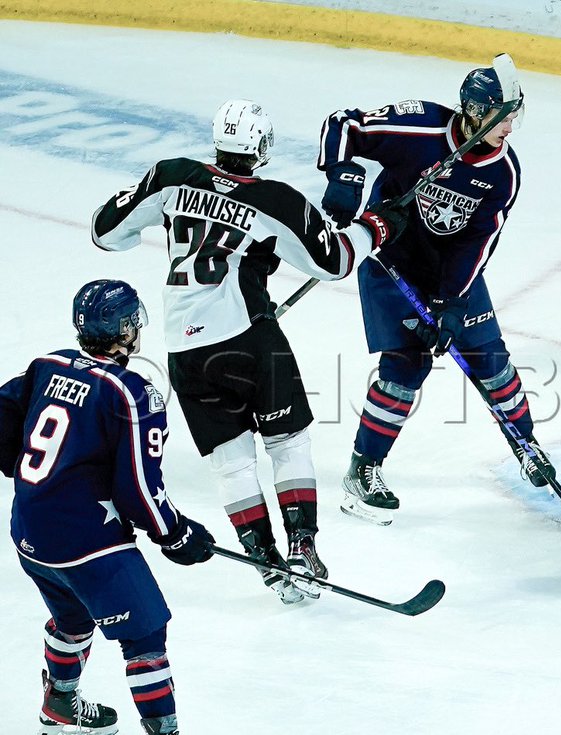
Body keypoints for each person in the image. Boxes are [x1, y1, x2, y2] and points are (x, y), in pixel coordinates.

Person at [90, 100, 406, 603]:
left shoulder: (171, 176)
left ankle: (264, 559)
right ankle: (302, 546)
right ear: (261, 148)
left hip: (184, 350)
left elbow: (105, 232)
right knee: (287, 442)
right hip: (248, 339)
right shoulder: (277, 200)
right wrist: (378, 227)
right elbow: (337, 261)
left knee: (230, 461)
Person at [317, 53, 551, 525]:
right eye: (503, 116)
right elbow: (343, 125)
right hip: (392, 262)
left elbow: (477, 242)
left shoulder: (503, 173)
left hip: (450, 274)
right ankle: (363, 470)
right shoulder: (418, 127)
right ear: (473, 112)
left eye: (515, 115)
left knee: (491, 360)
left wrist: (449, 303)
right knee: (405, 367)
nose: (510, 127)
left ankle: (526, 446)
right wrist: (341, 174)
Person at [1, 280, 214, 735]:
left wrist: (22, 470)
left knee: (72, 618)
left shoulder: (47, 364)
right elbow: (138, 488)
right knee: (144, 638)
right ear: (124, 328)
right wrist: (174, 533)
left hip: (29, 533)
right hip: (88, 544)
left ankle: (59, 705)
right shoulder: (132, 392)